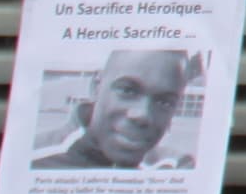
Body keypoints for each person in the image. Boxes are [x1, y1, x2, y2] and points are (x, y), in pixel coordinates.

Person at [33, 47, 196, 168]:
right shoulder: (34, 155)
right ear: (96, 87)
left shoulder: (173, 167)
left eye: (164, 102)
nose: (142, 114)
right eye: (128, 90)